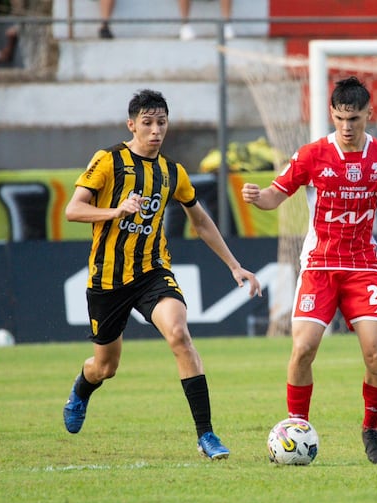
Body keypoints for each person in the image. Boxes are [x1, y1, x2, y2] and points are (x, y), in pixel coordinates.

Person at [62, 88, 261, 460]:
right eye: (148, 123)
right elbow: (74, 209)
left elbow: (200, 221)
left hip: (153, 272)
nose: (156, 131)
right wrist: (116, 212)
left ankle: (207, 436)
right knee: (105, 367)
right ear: (132, 125)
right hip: (107, 280)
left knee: (180, 336)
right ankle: (81, 390)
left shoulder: (172, 172)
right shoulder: (108, 160)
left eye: (162, 123)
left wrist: (235, 265)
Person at [240, 77, 377, 464]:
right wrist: (255, 197)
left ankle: (371, 429)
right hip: (319, 265)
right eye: (340, 118)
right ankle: (296, 429)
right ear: (331, 114)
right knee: (302, 349)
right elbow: (273, 196)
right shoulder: (312, 155)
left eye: (355, 118)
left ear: (369, 115)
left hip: (364, 266)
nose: (347, 126)